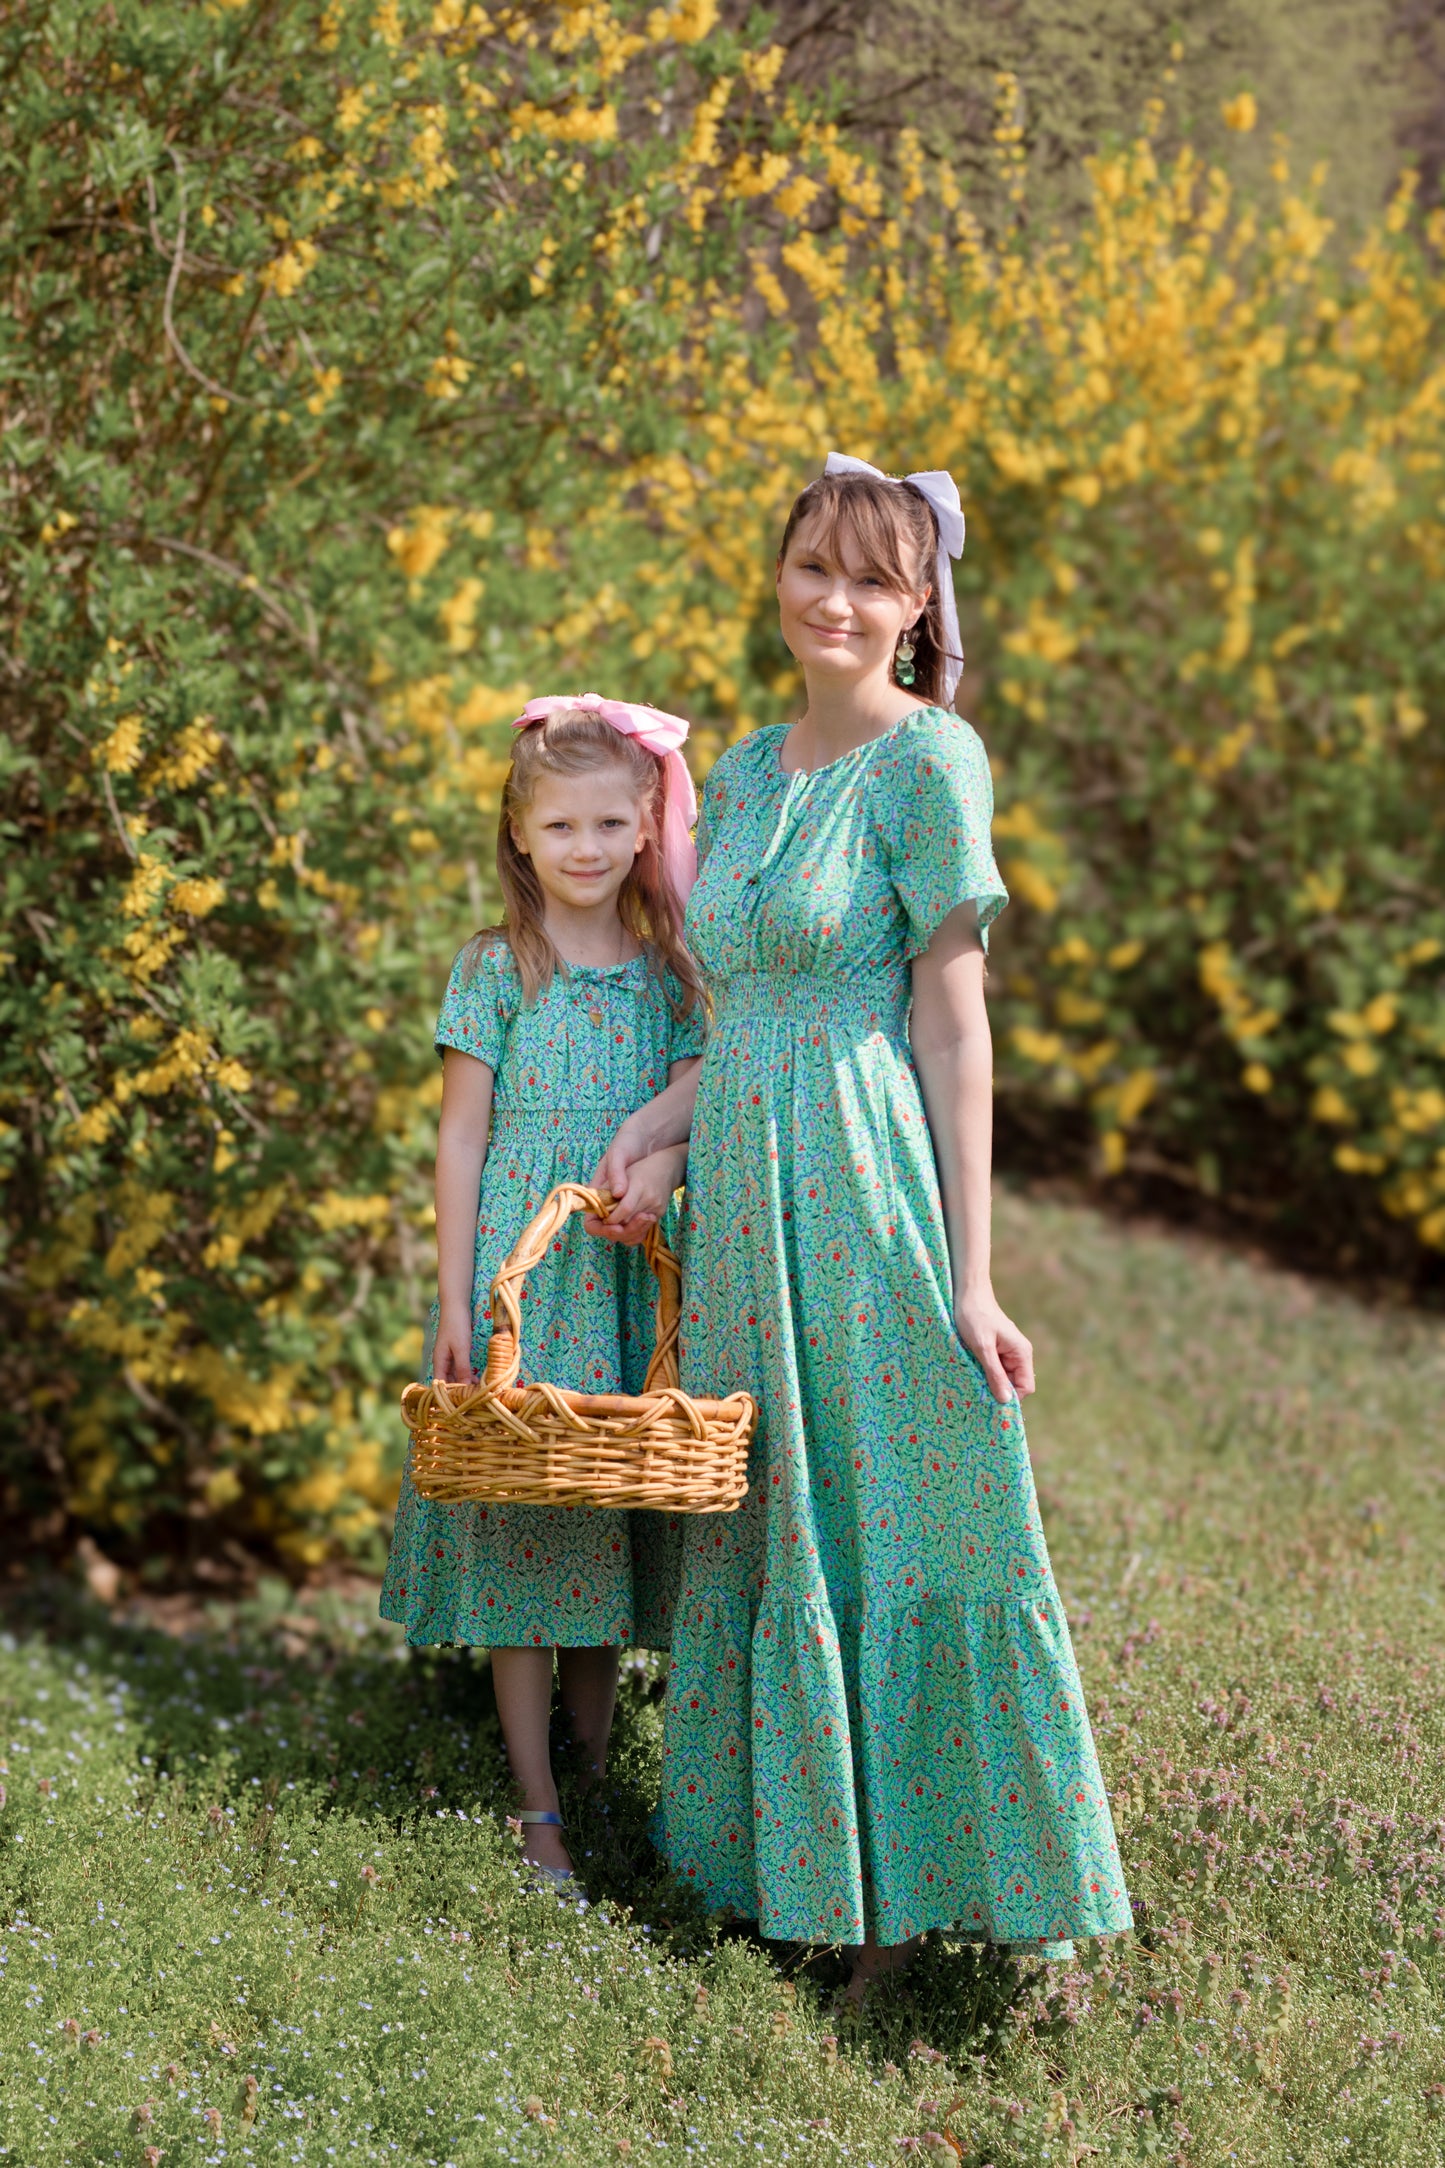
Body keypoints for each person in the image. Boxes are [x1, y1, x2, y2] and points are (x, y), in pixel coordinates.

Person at [593, 455, 1132, 1992]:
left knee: (902, 1510)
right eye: (814, 565)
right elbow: (736, 1021)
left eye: (873, 579)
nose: (836, 599)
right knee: (778, 1521)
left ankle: (928, 1920)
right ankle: (799, 1881)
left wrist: (973, 1276)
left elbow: (950, 1026)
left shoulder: (929, 763)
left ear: (917, 607)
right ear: (780, 574)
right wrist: (649, 1135)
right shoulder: (750, 771)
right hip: (747, 1196)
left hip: (865, 1180)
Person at [381, 695, 704, 1884]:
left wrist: (655, 1187)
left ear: (644, 825)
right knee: (522, 1526)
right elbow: (461, 1140)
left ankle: (592, 1763)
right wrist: (459, 1299)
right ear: (519, 834)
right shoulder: (494, 966)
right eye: (558, 823)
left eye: (609, 821)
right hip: (520, 1284)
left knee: (604, 1514)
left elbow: (691, 1121)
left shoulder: (673, 978)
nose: (583, 845)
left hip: (618, 1277)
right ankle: (536, 1810)